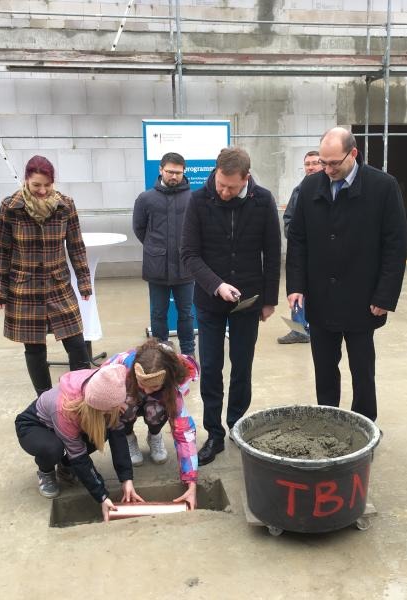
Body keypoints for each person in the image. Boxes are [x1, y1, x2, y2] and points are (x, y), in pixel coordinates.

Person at [286, 127, 407, 424]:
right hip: (320, 295)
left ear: (353, 154)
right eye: (323, 163)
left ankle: (364, 426)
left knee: (362, 369)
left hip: (363, 297)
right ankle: (329, 423)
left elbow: (395, 246)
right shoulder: (311, 186)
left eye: (333, 164)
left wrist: (385, 295)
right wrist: (296, 286)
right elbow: (297, 241)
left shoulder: (383, 187)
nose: (327, 170)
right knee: (324, 368)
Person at [180, 147, 281, 465]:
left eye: (231, 187)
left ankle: (237, 425)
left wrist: (269, 299)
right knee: (210, 368)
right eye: (220, 184)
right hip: (210, 301)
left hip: (247, 301)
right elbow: (189, 254)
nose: (223, 192)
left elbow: (272, 251)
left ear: (246, 179)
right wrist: (216, 285)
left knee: (242, 366)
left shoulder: (263, 200)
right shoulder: (199, 200)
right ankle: (215, 434)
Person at [0, 155, 91, 396]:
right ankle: (44, 400)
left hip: (58, 285)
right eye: (36, 185)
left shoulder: (65, 206)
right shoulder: (10, 207)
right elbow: (2, 250)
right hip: (25, 288)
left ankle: (80, 395)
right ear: (26, 181)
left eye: (47, 185)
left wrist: (84, 281)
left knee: (77, 344)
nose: (42, 190)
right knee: (35, 348)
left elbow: (76, 246)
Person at [15, 363, 142, 521]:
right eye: (110, 410)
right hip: (35, 426)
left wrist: (126, 480)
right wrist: (101, 496)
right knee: (53, 448)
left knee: (104, 431)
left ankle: (65, 465)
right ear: (98, 407)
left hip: (76, 418)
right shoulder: (64, 409)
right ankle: (46, 472)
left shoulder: (108, 385)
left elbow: (118, 438)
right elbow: (79, 456)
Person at [106, 339, 200, 508]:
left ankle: (154, 435)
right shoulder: (119, 368)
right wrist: (112, 400)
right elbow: (95, 388)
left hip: (155, 403)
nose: (147, 390)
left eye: (154, 386)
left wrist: (191, 483)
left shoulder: (171, 384)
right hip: (128, 393)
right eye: (144, 384)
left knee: (158, 409)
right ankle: (128, 437)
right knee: (120, 407)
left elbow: (184, 432)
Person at [133, 152, 195, 356]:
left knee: (186, 314)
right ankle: (161, 353)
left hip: (185, 267)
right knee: (158, 313)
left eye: (178, 172)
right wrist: (156, 248)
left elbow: (199, 229)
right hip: (156, 267)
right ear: (161, 170)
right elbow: (139, 228)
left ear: (184, 172)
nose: (174, 176)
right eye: (170, 172)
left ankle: (188, 353)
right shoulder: (146, 198)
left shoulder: (192, 198)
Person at [277, 150, 322, 345]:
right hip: (303, 255)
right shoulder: (299, 190)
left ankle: (316, 326)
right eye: (307, 164)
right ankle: (299, 330)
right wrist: (299, 236)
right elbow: (289, 220)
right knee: (298, 290)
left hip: (325, 256)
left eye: (315, 163)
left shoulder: (333, 188)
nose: (311, 167)